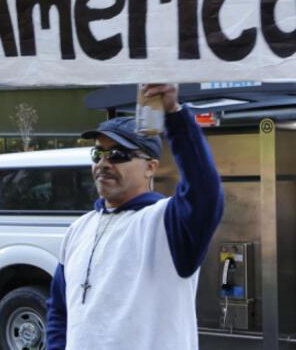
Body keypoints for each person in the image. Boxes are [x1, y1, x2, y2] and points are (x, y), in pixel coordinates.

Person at [46, 83, 224, 350]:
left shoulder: (166, 224)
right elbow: (59, 311)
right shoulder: (78, 230)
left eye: (118, 155)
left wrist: (174, 114)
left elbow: (205, 192)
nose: (104, 163)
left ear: (150, 167)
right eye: (98, 153)